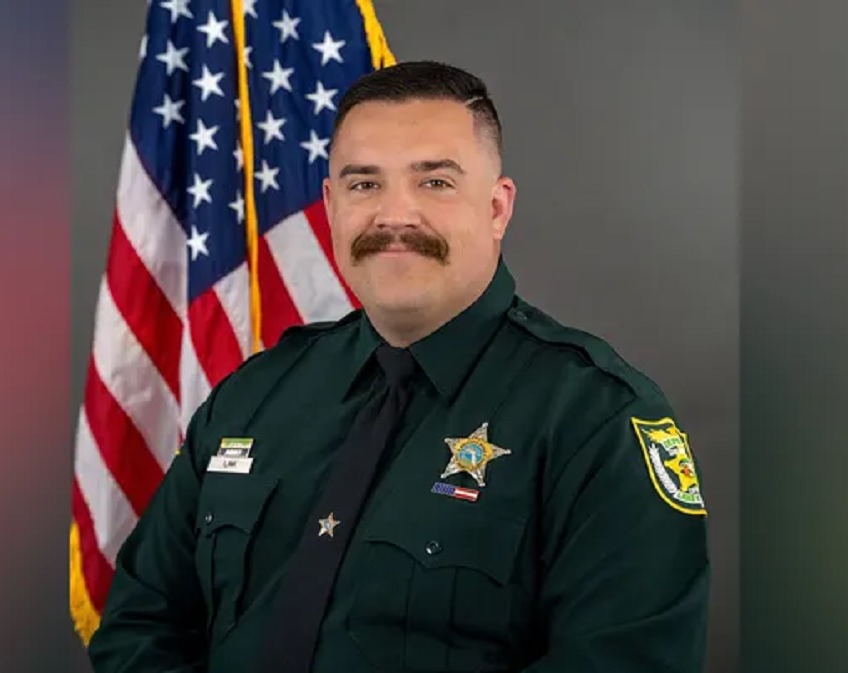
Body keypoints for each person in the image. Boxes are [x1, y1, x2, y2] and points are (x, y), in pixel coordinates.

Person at [88, 60, 710, 673]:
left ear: (497, 208)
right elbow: (139, 628)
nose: (394, 216)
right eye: (364, 184)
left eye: (434, 182)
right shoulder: (255, 394)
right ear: (330, 204)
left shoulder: (596, 420)